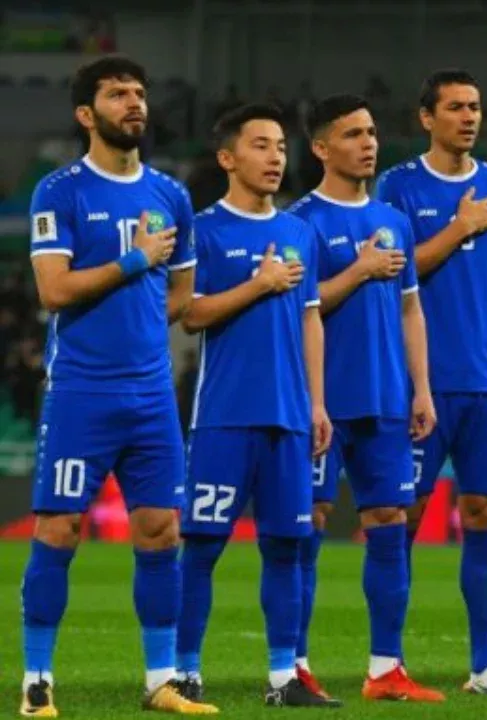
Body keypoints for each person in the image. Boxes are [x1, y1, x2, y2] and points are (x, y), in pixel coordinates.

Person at [21, 54, 216, 716]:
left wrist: (137, 325)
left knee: (161, 531)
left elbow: (182, 292)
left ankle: (160, 681)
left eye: (138, 92)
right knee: (59, 528)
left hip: (151, 394)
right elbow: (54, 290)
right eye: (117, 94)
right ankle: (37, 681)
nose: (134, 102)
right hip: (81, 391)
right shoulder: (60, 191)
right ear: (87, 113)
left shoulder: (171, 194)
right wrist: (133, 260)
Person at [374, 69, 487, 697]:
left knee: (485, 511)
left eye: (475, 107)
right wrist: (458, 228)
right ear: (427, 118)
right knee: (404, 515)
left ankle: (486, 665)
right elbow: (394, 268)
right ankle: (388, 662)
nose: (469, 117)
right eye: (455, 107)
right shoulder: (399, 186)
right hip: (420, 382)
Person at [174, 103, 335, 708]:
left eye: (281, 147)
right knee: (202, 546)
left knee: (288, 547)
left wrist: (317, 404)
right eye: (261, 145)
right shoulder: (204, 230)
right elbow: (191, 314)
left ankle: (282, 678)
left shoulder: (299, 233)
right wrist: (259, 284)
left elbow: (312, 320)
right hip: (224, 416)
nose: (275, 157)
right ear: (228, 158)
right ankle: (184, 671)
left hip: (289, 417)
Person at [290, 94, 441, 702]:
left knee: (390, 522)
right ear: (321, 148)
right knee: (309, 524)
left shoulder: (393, 220)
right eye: (353, 134)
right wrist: (358, 270)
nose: (369, 143)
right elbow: (300, 308)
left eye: (372, 132)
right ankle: (294, 666)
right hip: (323, 402)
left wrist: (421, 388)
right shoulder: (301, 222)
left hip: (386, 400)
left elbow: (411, 309)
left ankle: (386, 669)